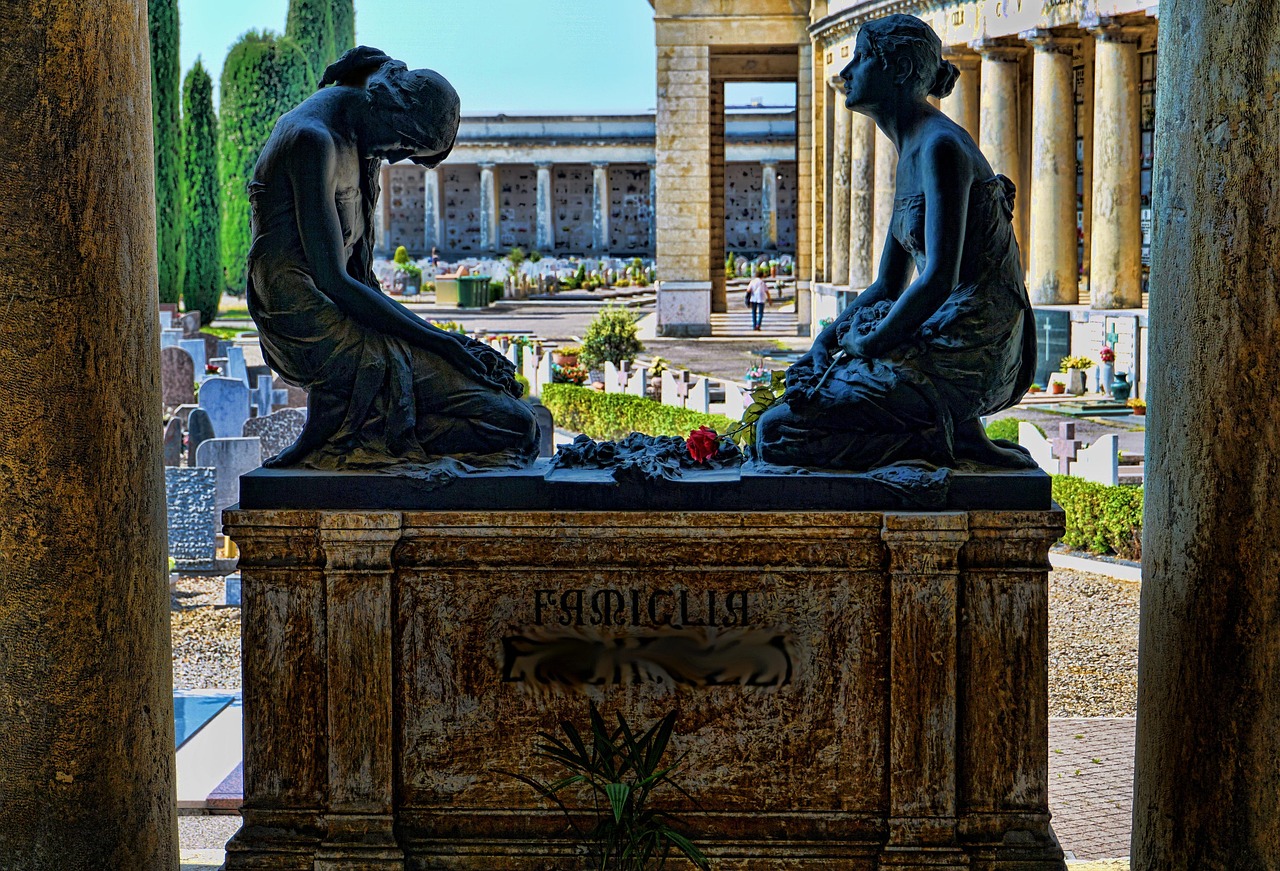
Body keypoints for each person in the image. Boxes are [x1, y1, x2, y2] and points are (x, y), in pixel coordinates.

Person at [755, 14, 1037, 471]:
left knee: (777, 433)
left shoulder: (941, 147)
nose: (847, 72)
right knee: (793, 406)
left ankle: (940, 439)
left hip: (971, 346)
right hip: (942, 329)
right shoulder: (912, 149)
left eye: (862, 58)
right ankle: (949, 433)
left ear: (901, 71)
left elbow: (939, 278)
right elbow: (888, 284)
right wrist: (827, 338)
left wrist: (870, 345)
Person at [246, 47, 537, 469]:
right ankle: (360, 430)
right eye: (403, 143)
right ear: (387, 107)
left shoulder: (357, 141)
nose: (398, 157)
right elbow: (334, 281)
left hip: (344, 309)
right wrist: (443, 344)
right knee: (513, 426)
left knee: (510, 407)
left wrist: (452, 343)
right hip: (308, 319)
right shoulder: (312, 141)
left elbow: (360, 281)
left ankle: (363, 428)